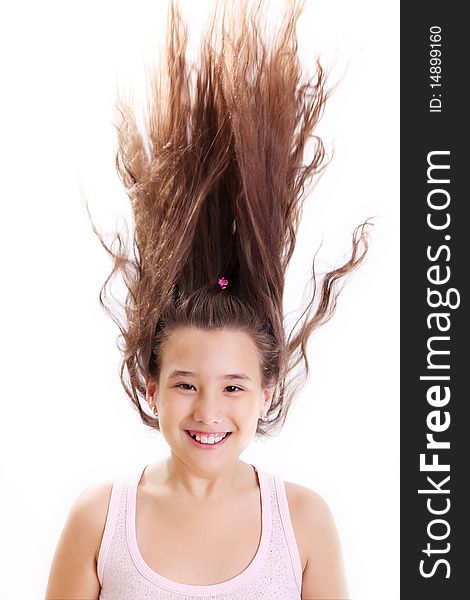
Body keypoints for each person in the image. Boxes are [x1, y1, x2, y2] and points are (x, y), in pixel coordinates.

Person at [45, 0, 369, 598]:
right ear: (152, 387)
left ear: (267, 392)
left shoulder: (304, 524)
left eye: (234, 387)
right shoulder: (98, 520)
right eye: (186, 383)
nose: (208, 412)